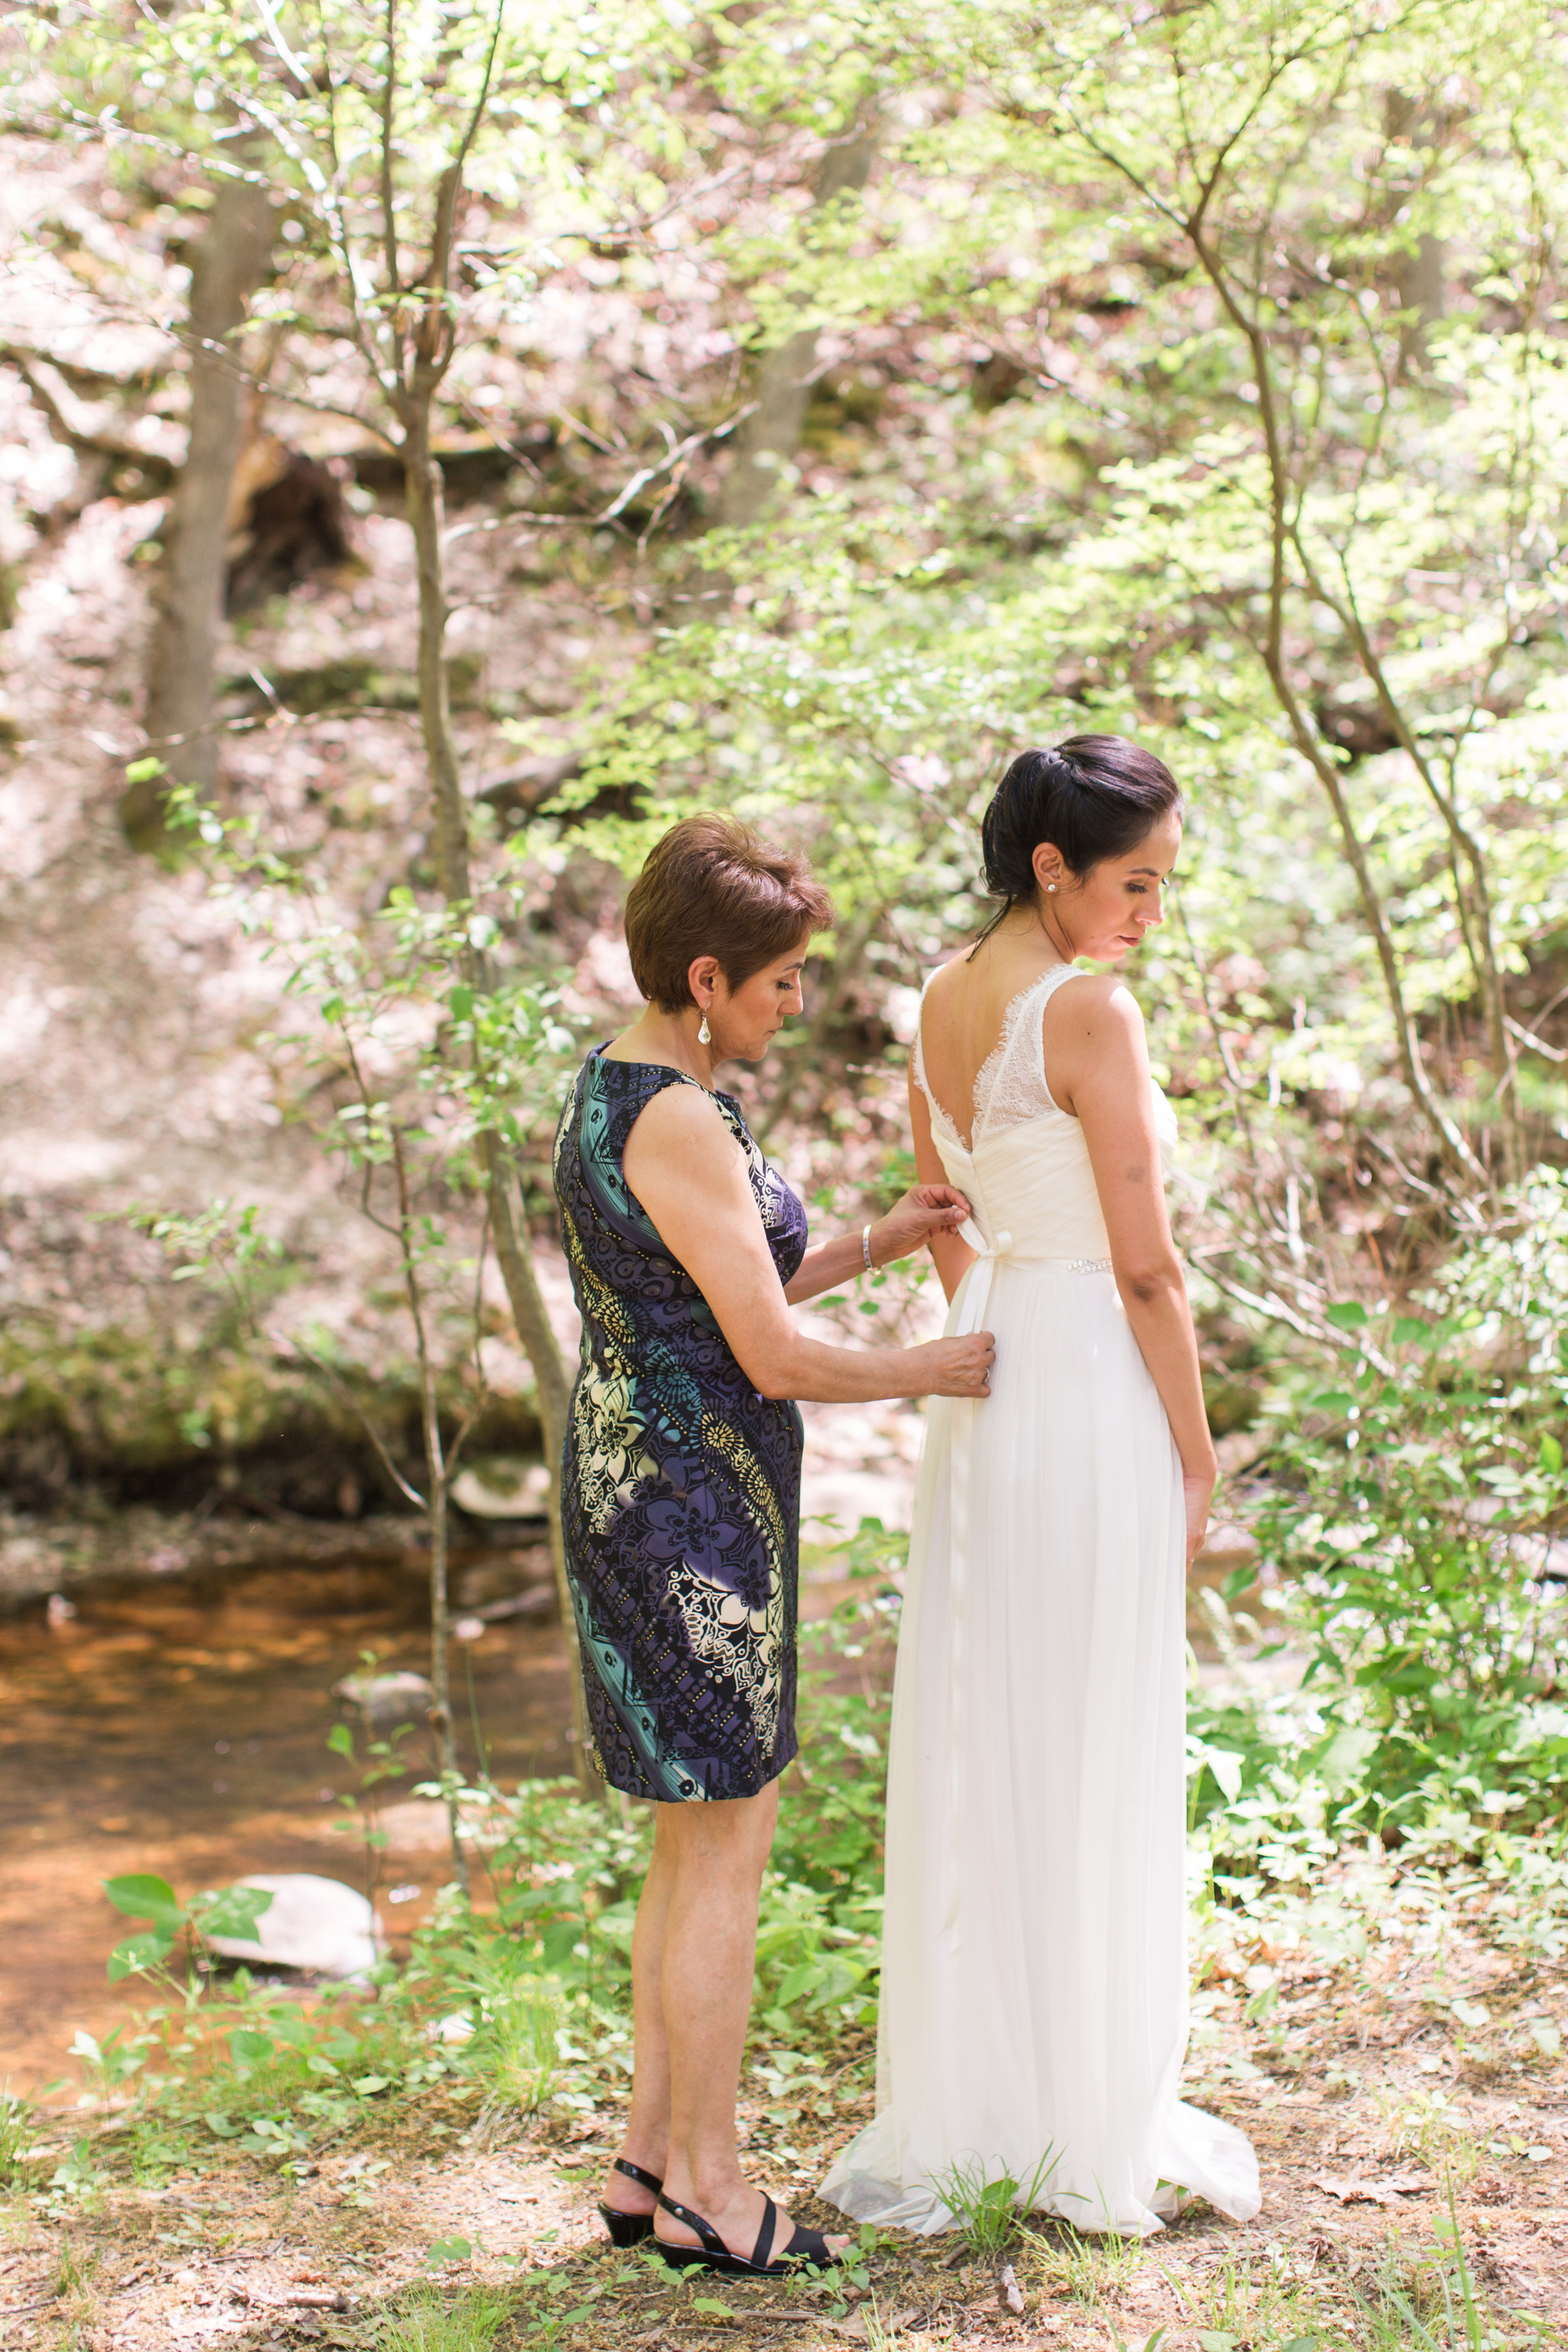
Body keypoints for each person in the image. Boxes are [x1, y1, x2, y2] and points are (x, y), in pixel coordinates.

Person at [821, 737, 1261, 2238]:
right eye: (1136, 883)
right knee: (1090, 1722)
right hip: (1082, 1379)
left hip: (990, 1369)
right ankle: (1081, 2118)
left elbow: (948, 1214)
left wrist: (979, 1329)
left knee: (1001, 1720)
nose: (1153, 912)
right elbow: (1146, 1267)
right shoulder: (1085, 1013)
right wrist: (1194, 1455)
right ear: (1054, 868)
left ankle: (999, 2092)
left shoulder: (938, 1001)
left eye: (1165, 886)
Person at [552, 815, 995, 2280]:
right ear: (703, 975)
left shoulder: (621, 1089)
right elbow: (770, 1350)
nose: (796, 1003)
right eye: (782, 981)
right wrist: (930, 1368)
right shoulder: (676, 1114)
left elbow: (726, 1278)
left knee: (694, 1834)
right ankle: (712, 2186)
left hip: (653, 1484)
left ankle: (644, 2161)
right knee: (727, 1835)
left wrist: (879, 1235)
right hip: (684, 1511)